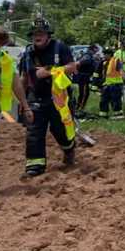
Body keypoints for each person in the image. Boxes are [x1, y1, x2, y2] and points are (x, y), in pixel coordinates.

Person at [19, 17, 79, 176]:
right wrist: (22, 101)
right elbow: (24, 78)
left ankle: (69, 149)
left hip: (58, 97)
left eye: (41, 33)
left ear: (48, 35)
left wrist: (49, 71)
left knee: (60, 129)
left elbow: (72, 67)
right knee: (34, 131)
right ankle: (35, 165)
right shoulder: (27, 54)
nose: (37, 36)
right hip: (36, 97)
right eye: (34, 33)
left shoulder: (60, 48)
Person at [99, 48, 125, 118]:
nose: (104, 56)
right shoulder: (105, 63)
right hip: (107, 84)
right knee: (103, 100)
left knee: (115, 100)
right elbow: (105, 74)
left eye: (105, 54)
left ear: (109, 54)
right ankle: (103, 114)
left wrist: (123, 77)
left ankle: (118, 114)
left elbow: (121, 69)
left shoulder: (116, 60)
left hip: (116, 84)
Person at [75, 44, 99, 116]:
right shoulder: (87, 56)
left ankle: (80, 107)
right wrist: (76, 72)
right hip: (84, 77)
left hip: (85, 77)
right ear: (93, 49)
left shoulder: (89, 55)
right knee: (84, 93)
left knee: (84, 93)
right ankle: (79, 108)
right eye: (96, 49)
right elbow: (78, 63)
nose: (97, 51)